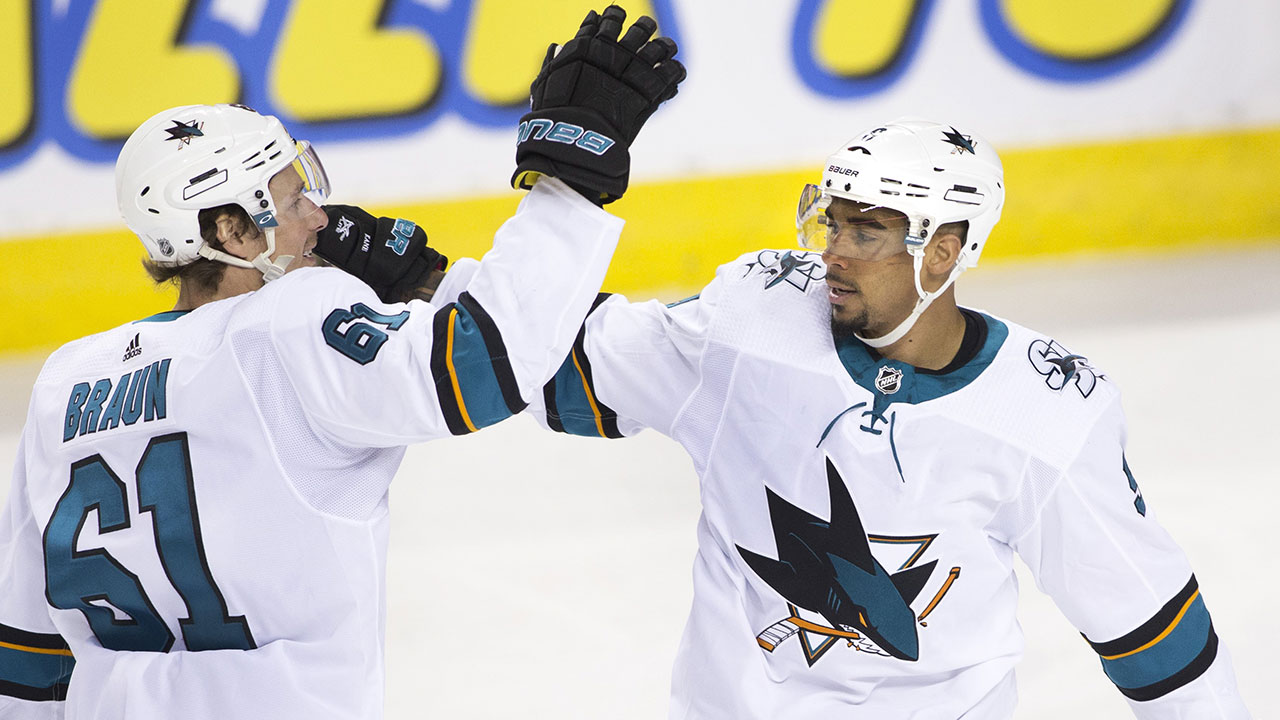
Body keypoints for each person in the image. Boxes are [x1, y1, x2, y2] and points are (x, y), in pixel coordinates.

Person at [0, 6, 683, 718]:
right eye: (292, 198)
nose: (319, 217)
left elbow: (25, 655)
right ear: (231, 231)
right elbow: (480, 367)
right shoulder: (288, 324)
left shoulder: (65, 382)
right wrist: (568, 187)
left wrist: (424, 282)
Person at [506, 118, 1248, 717]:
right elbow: (536, 365)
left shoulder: (1043, 412)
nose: (833, 254)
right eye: (831, 225)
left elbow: (1156, 639)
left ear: (943, 254)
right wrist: (521, 222)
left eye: (865, 234)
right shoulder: (748, 323)